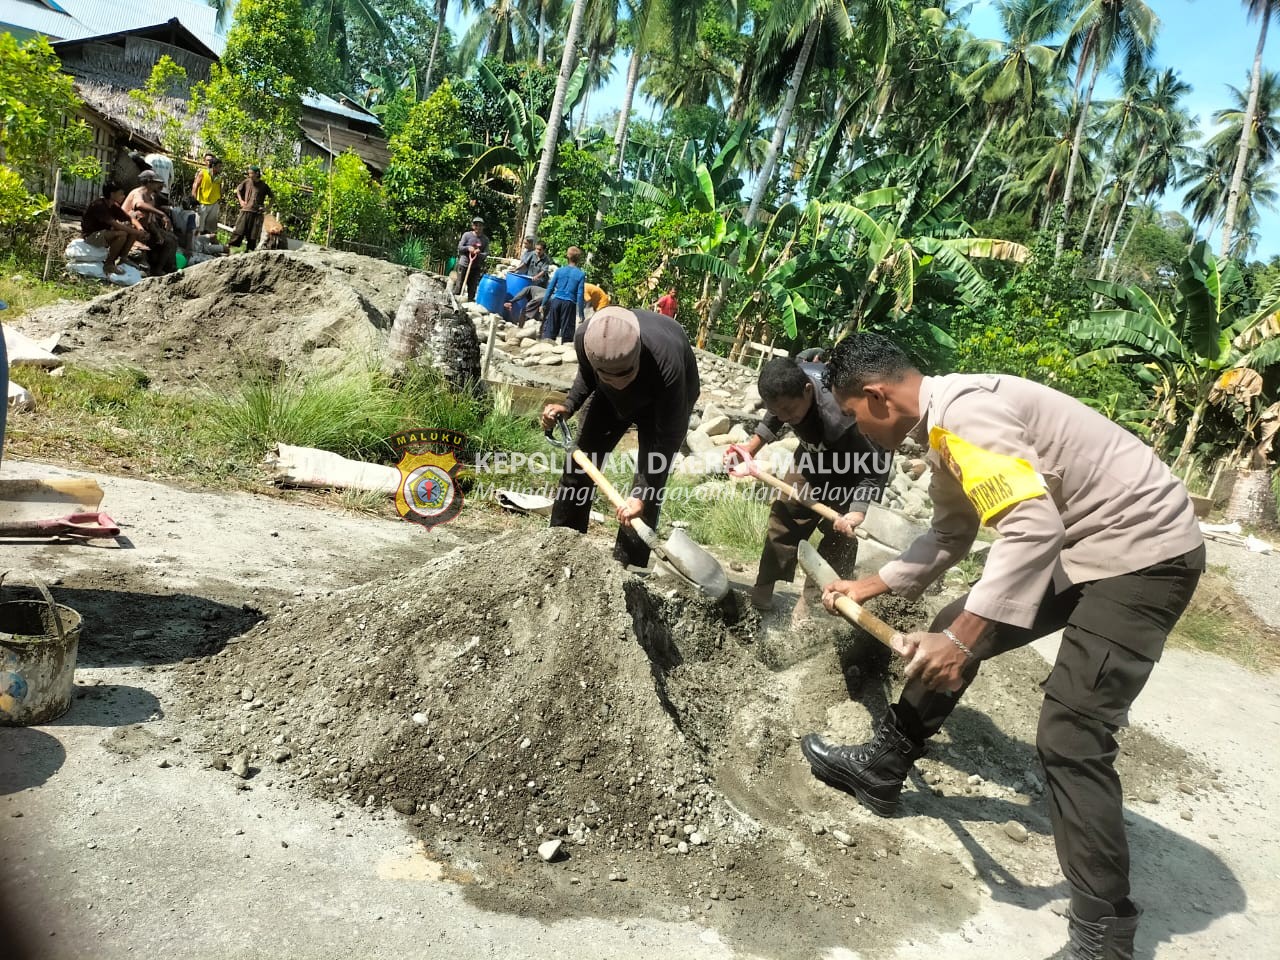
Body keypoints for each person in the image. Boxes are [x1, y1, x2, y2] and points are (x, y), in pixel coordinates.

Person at [803, 333, 1204, 960]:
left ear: (877, 395)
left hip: (1144, 554)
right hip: (1081, 543)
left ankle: (1105, 935)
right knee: (956, 617)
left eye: (854, 414)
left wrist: (963, 642)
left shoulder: (966, 418)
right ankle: (881, 769)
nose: (856, 430)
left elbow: (1032, 525)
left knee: (1071, 733)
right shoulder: (940, 433)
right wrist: (874, 584)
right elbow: (950, 533)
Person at [724, 357, 889, 621]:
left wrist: (857, 512)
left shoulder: (842, 415)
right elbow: (777, 411)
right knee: (785, 514)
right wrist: (751, 447)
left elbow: (875, 466)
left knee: (840, 538)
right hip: (813, 458)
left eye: (790, 411)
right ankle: (763, 589)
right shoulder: (790, 384)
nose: (786, 418)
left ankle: (810, 607)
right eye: (779, 412)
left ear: (808, 391)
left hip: (855, 471)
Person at [541, 306, 699, 568]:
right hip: (605, 397)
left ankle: (629, 565)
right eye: (612, 377)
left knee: (647, 490)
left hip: (663, 399)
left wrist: (641, 492)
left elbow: (668, 437)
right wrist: (568, 406)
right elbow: (587, 376)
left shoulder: (666, 362)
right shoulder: (585, 338)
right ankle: (562, 546)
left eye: (627, 374)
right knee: (579, 467)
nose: (621, 383)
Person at [80, 182, 145, 277]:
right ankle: (109, 264)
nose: (123, 196)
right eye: (121, 194)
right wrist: (137, 232)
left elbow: (130, 219)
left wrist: (140, 229)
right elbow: (116, 225)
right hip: (91, 235)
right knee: (122, 234)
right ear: (112, 194)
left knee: (132, 229)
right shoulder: (99, 205)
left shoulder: (113, 205)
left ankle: (123, 258)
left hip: (105, 233)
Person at [122, 171, 179, 275]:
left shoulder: (151, 197)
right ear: (149, 182)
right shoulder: (138, 193)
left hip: (145, 230)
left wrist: (157, 234)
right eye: (158, 183)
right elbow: (138, 205)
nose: (161, 186)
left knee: (171, 239)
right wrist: (161, 214)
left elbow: (150, 221)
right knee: (138, 214)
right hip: (131, 229)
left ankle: (160, 269)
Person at [541, 246, 586, 343]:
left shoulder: (559, 271)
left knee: (550, 329)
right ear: (578, 259)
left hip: (556, 301)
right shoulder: (580, 274)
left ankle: (547, 349)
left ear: (567, 257)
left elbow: (550, 288)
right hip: (569, 304)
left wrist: (543, 303)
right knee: (567, 333)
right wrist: (581, 313)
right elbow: (580, 295)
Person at [228, 165, 274, 252]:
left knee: (253, 235)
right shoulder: (246, 182)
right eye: (249, 173)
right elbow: (238, 190)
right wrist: (241, 201)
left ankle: (249, 251)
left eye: (251, 173)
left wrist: (266, 208)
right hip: (245, 211)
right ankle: (230, 249)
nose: (250, 175)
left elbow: (272, 197)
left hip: (256, 213)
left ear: (257, 174)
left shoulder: (263, 186)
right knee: (239, 231)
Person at [456, 216, 489, 301]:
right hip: (463, 264)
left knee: (472, 289)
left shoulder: (485, 239)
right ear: (473, 226)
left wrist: (479, 253)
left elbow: (486, 254)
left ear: (483, 227)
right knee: (459, 286)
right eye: (476, 225)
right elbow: (460, 247)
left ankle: (468, 305)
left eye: (480, 225)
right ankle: (455, 303)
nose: (478, 227)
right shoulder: (467, 235)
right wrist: (468, 248)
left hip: (475, 267)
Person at [191, 155, 223, 237]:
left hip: (214, 203)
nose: (220, 168)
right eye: (219, 166)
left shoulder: (219, 177)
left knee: (210, 227)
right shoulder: (203, 173)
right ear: (213, 166)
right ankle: (195, 243)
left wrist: (219, 199)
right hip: (202, 203)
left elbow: (219, 189)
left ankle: (206, 242)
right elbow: (195, 185)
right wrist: (193, 200)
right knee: (199, 226)